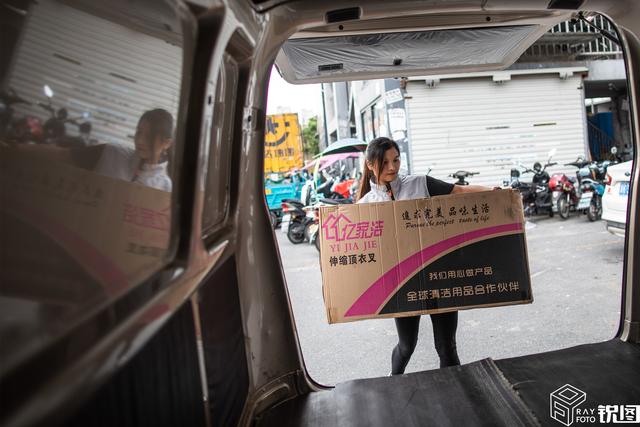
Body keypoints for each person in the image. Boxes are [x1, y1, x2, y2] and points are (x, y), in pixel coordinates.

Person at [356, 137, 493, 375]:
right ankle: (393, 380)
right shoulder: (364, 206)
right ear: (370, 164)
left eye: (396, 160)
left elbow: (459, 191)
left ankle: (455, 390)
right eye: (384, 162)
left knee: (447, 346)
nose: (392, 167)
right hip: (402, 284)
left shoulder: (420, 184)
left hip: (438, 275)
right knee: (407, 346)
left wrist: (496, 192)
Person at [94, 109, 173, 191]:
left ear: (166, 143)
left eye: (149, 137)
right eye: (139, 132)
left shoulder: (164, 185)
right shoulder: (115, 155)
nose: (140, 141)